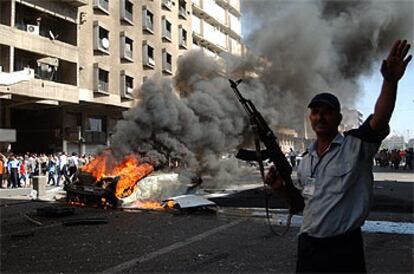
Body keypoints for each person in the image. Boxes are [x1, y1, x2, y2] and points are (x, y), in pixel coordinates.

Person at [266, 40, 411, 273]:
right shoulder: (306, 161)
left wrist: (390, 81)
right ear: (310, 119)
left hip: (343, 248)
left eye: (327, 112)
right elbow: (301, 205)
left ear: (338, 118)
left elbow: (379, 120)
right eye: (315, 112)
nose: (320, 117)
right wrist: (280, 188)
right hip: (309, 246)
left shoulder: (356, 146)